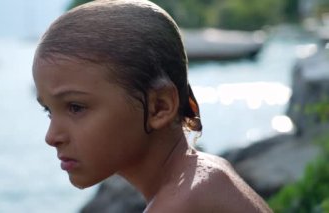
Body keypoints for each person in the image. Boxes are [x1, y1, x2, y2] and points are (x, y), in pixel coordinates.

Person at [32, 0, 272, 212]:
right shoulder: (206, 174)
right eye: (48, 111)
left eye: (75, 107)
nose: (52, 136)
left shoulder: (185, 201)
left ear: (159, 107)